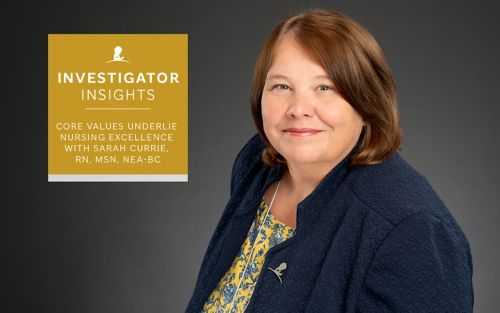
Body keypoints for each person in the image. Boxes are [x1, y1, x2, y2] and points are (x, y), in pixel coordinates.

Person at [186, 8, 474, 313]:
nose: (299, 109)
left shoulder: (412, 232)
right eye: (282, 86)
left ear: (366, 102)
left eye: (325, 88)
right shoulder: (256, 167)